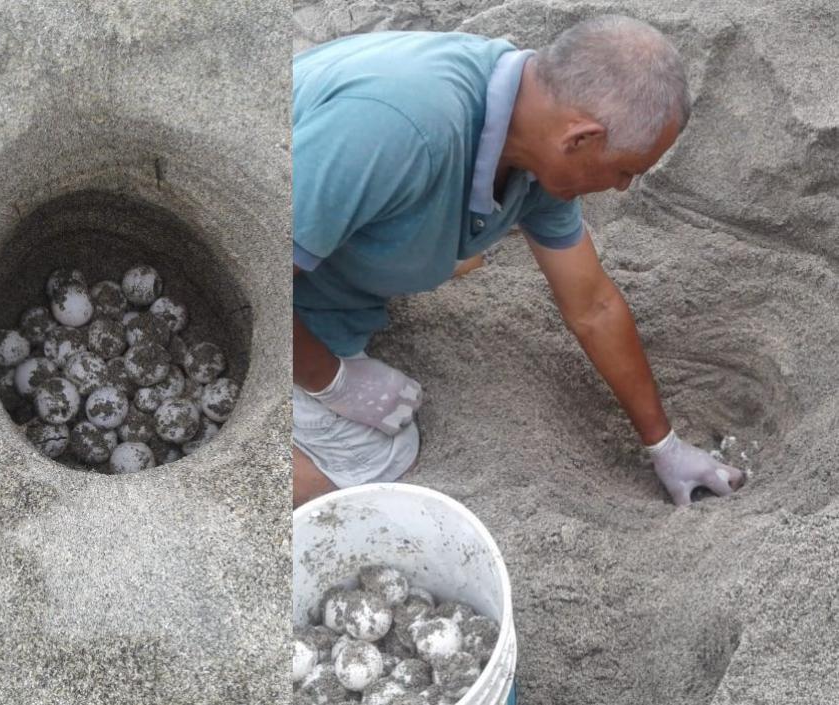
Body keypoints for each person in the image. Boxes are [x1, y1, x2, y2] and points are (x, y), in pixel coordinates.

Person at [291, 15, 746, 507]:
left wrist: (665, 445)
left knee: (442, 250)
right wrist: (331, 379)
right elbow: (256, 267)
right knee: (378, 458)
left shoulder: (533, 141)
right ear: (581, 139)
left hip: (321, 248)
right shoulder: (403, 129)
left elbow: (592, 305)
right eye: (624, 170)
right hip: (242, 278)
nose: (621, 188)